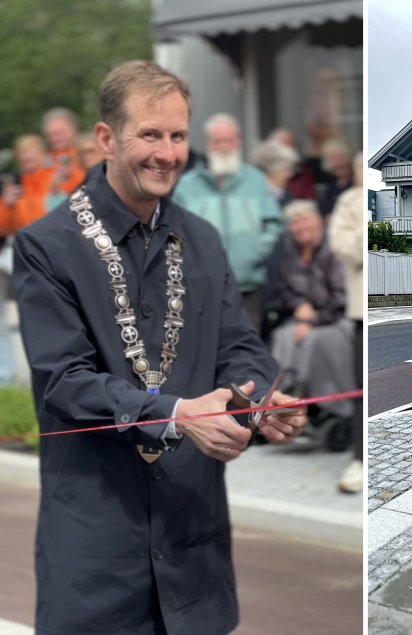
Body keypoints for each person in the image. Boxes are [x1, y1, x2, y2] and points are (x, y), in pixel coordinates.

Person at [12, 60, 306, 635]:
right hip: (98, 552)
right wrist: (174, 413)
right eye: (149, 134)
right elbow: (63, 381)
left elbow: (238, 345)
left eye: (177, 135)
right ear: (106, 138)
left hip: (193, 544)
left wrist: (259, 401)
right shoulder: (45, 246)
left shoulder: (202, 238)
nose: (167, 153)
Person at [173, 113, 282, 334]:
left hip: (248, 285)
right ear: (207, 144)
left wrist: (255, 253)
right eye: (218, 141)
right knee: (206, 349)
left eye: (229, 140)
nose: (224, 146)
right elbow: (174, 230)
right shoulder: (187, 184)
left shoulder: (256, 180)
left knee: (248, 347)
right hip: (201, 286)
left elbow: (273, 223)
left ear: (239, 141)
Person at [268, 200, 354, 423]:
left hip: (338, 317)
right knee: (283, 336)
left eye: (304, 220)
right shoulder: (292, 252)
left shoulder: (334, 248)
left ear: (318, 221)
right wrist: (297, 304)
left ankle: (320, 402)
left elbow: (342, 298)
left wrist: (313, 322)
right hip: (308, 315)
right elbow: (283, 288)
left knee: (313, 340)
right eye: (294, 223)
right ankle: (279, 397)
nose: (300, 226)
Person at [329, 153, 364, 493]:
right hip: (359, 311)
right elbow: (346, 249)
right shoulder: (349, 203)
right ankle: (360, 457)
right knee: (360, 390)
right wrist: (361, 233)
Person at [0, 135, 52, 238]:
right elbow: (4, 229)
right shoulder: (16, 183)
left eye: (31, 160)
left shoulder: (59, 178)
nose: (28, 167)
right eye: (23, 163)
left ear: (43, 154)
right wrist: (6, 206)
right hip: (29, 241)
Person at [269, 127, 319, 201]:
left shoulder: (304, 171)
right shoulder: (263, 171)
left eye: (293, 143)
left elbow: (310, 200)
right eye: (285, 143)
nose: (290, 147)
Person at [250, 138, 300, 208]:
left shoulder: (286, 194)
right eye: (285, 169)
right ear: (270, 170)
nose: (290, 174)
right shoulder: (253, 195)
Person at [318, 137, 353, 219]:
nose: (339, 163)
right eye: (333, 159)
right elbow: (325, 210)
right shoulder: (331, 184)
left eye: (341, 157)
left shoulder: (357, 181)